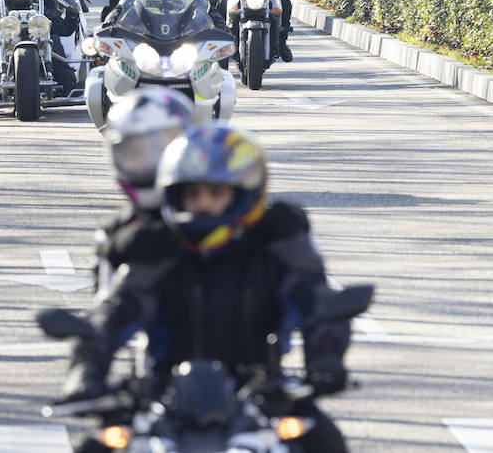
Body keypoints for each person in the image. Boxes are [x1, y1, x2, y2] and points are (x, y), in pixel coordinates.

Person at [56, 124, 351, 453]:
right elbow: (116, 310)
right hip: (163, 399)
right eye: (192, 194)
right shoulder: (158, 247)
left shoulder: (275, 246)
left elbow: (317, 302)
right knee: (90, 447)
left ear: (244, 192)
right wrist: (85, 370)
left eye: (215, 193)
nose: (202, 204)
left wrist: (326, 358)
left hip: (262, 395)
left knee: (324, 441)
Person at [93, 87, 195, 289]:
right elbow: (106, 303)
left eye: (163, 148)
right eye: (136, 152)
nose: (153, 161)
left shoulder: (218, 210)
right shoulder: (116, 237)